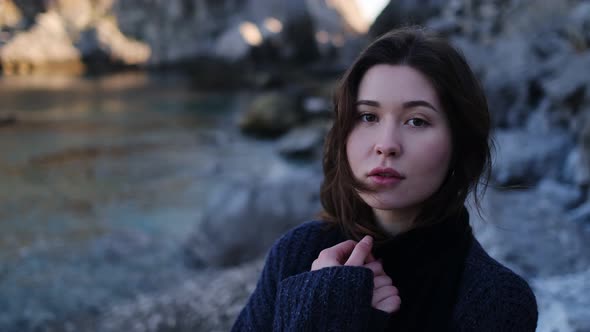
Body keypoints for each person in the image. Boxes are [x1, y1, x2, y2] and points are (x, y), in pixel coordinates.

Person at [231, 26, 538, 331]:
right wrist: (327, 305)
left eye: (417, 121)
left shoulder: (496, 301)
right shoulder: (296, 252)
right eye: (368, 117)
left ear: (459, 143)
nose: (386, 144)